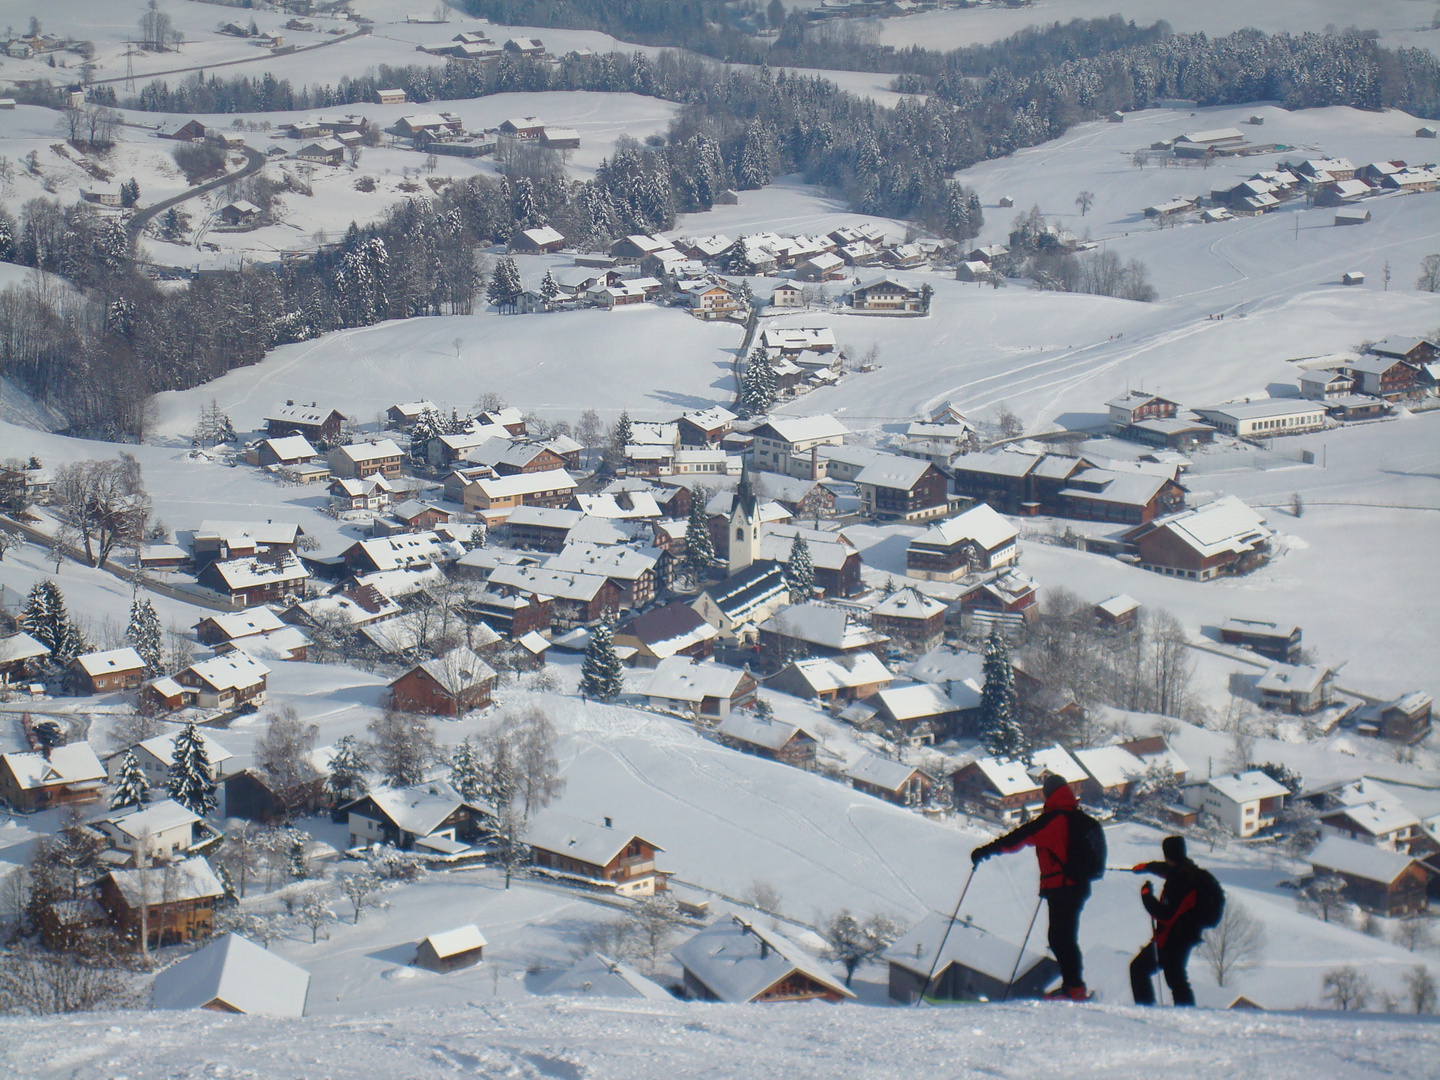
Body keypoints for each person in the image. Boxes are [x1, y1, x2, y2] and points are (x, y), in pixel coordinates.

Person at [971, 773, 1090, 1001]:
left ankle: (1074, 989)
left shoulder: (1054, 819)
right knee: (1063, 937)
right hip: (1077, 884)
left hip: (1062, 885)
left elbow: (1018, 839)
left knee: (1060, 938)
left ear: (1049, 793)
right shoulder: (1075, 815)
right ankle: (1073, 988)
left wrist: (986, 851)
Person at [1129, 835, 1205, 1006]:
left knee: (1144, 970)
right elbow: (1166, 868)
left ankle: (1148, 1009)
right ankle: (1184, 1013)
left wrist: (1146, 897)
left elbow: (1165, 914)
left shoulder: (1180, 882)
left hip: (1174, 937)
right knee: (1174, 977)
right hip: (1183, 934)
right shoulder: (1184, 870)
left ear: (1167, 855)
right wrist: (1148, 867)